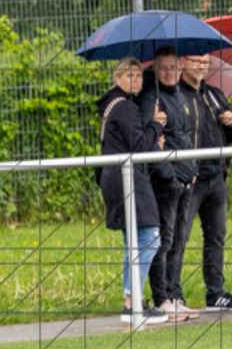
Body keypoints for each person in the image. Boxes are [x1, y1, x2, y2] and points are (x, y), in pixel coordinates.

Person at [96, 57, 168, 324]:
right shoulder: (124, 107)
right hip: (127, 179)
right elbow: (139, 146)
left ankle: (132, 300)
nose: (135, 80)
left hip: (118, 178)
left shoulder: (117, 105)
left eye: (139, 76)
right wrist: (157, 125)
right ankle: (131, 302)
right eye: (129, 75)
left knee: (135, 242)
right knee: (150, 236)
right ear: (117, 79)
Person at [137, 46, 198, 321]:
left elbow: (183, 137)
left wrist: (190, 170)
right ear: (155, 69)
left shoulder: (180, 96)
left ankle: (174, 295)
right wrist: (170, 175)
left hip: (186, 180)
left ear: (181, 66)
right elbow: (151, 142)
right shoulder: (152, 97)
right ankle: (161, 298)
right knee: (164, 240)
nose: (169, 72)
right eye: (163, 68)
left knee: (178, 240)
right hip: (167, 183)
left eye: (173, 67)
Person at [175, 53, 232, 311]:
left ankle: (215, 293)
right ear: (183, 62)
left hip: (216, 177)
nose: (202, 66)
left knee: (216, 236)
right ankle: (172, 293)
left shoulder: (215, 95)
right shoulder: (175, 95)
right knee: (179, 236)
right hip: (190, 179)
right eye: (196, 61)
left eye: (205, 62)